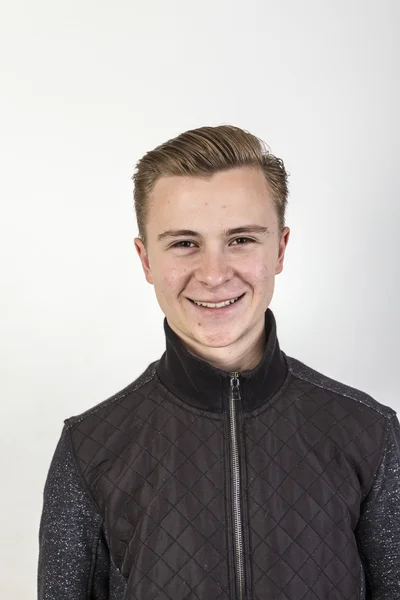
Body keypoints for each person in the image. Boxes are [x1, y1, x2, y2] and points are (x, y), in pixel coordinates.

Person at [37, 125, 400, 599]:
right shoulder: (88, 449)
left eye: (242, 239)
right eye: (184, 243)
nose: (213, 274)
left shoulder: (369, 432)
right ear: (146, 260)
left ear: (280, 250)